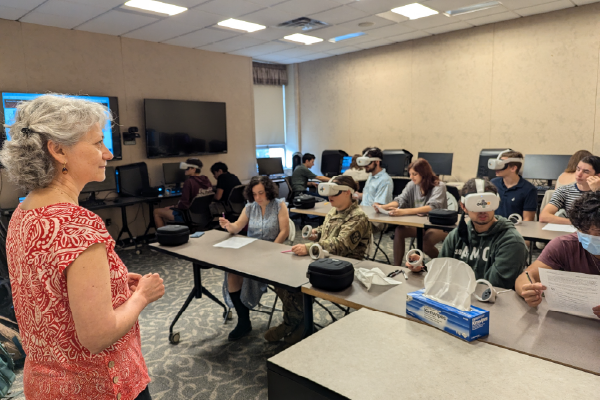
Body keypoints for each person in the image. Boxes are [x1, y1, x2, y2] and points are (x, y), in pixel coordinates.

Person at [0, 94, 165, 399]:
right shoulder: (77, 224)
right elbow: (98, 336)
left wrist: (115, 284)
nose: (107, 153)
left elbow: (49, 293)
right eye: (98, 143)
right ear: (58, 150)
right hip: (100, 386)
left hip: (45, 385)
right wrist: (142, 296)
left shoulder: (22, 214)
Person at [264, 176, 371, 344]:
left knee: (295, 282)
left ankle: (292, 324)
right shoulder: (334, 210)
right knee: (281, 278)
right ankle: (299, 323)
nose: (330, 196)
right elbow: (326, 230)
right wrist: (316, 233)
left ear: (347, 193)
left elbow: (340, 245)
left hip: (341, 269)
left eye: (334, 192)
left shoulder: (358, 217)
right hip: (323, 261)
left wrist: (309, 247)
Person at [408, 178, 528, 290]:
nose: (482, 210)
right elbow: (443, 269)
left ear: (496, 202)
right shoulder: (456, 235)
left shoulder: (511, 242)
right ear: (463, 206)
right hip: (458, 298)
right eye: (475, 204)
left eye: (487, 203)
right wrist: (423, 266)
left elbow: (493, 288)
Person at [218, 176, 289, 340]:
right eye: (254, 194)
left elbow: (284, 231)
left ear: (268, 191)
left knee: (247, 272)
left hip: (273, 252)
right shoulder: (250, 207)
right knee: (232, 273)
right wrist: (228, 225)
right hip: (251, 251)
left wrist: (272, 250)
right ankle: (243, 321)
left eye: (261, 193)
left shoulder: (279, 205)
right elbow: (237, 226)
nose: (257, 197)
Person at [516, 192, 600, 317]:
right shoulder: (565, 245)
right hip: (574, 319)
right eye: (584, 230)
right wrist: (528, 289)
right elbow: (526, 276)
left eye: (598, 232)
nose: (590, 237)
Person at [376, 158, 448, 266]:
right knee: (399, 231)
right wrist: (383, 207)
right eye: (410, 174)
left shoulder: (439, 186)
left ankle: (444, 264)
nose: (411, 177)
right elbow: (400, 200)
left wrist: (403, 211)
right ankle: (396, 267)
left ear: (424, 173)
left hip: (438, 225)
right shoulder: (411, 185)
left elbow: (431, 207)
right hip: (420, 224)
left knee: (424, 243)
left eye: (414, 174)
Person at [540, 155, 600, 225]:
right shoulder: (565, 190)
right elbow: (544, 216)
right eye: (578, 169)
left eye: (586, 171)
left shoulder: (597, 192)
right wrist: (576, 223)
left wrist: (597, 191)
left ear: (597, 176)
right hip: (573, 229)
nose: (579, 174)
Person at [153, 158, 213, 228]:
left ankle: (164, 234)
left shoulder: (189, 182)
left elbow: (184, 205)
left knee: (156, 212)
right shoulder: (206, 180)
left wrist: (173, 207)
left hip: (187, 216)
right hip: (203, 216)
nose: (185, 170)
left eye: (187, 168)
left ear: (193, 169)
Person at [490, 150, 537, 221]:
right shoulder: (493, 184)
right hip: (495, 226)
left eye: (501, 164)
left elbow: (528, 219)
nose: (497, 168)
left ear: (513, 168)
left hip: (515, 227)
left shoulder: (529, 189)